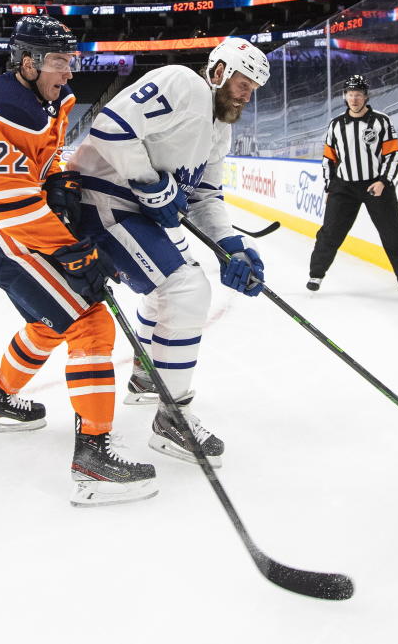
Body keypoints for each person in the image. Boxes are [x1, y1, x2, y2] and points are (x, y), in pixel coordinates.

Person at [0, 15, 156, 506]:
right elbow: (12, 202)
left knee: (51, 321)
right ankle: (93, 458)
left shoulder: (48, 98)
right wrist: (69, 249)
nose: (70, 72)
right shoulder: (4, 107)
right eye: (60, 62)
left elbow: (41, 163)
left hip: (5, 222)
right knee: (89, 323)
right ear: (29, 63)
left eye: (71, 60)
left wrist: (59, 178)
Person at [68, 38, 270, 468]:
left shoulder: (221, 129)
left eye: (253, 87)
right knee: (187, 289)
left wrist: (231, 247)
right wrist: (150, 181)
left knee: (170, 287)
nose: (246, 92)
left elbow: (205, 197)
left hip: (130, 209)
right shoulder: (183, 84)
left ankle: (148, 375)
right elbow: (110, 127)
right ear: (217, 71)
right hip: (101, 198)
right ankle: (172, 418)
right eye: (241, 80)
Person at [307, 75, 398, 298]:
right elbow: (328, 158)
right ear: (345, 96)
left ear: (366, 96)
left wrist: (383, 181)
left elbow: (393, 154)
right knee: (329, 233)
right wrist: (330, 187)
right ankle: (315, 275)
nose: (354, 98)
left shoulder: (381, 121)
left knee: (393, 233)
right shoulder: (336, 124)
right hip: (344, 187)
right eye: (350, 94)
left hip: (376, 185)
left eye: (358, 94)